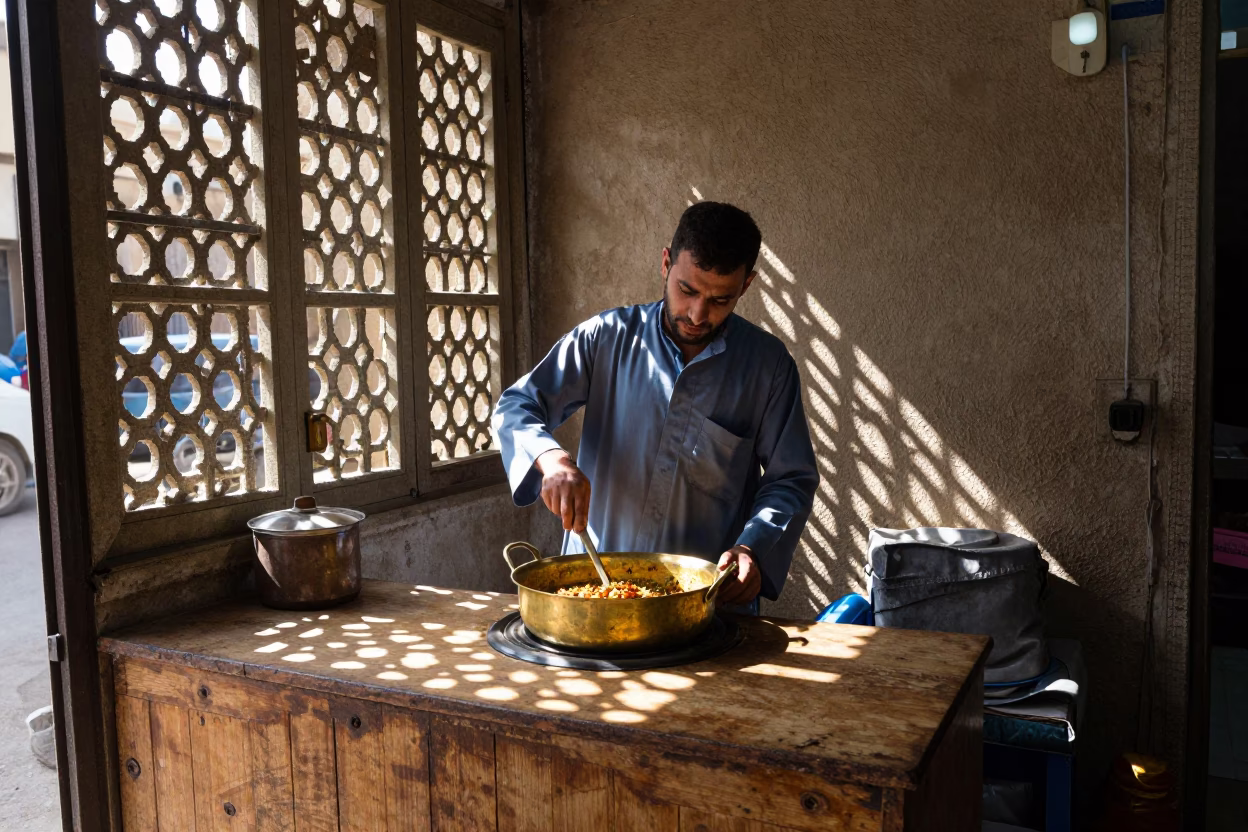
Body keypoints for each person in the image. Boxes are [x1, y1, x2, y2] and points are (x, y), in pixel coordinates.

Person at [492, 202, 819, 611]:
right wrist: (551, 459)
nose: (699, 314)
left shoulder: (768, 368)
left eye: (721, 299)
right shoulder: (605, 338)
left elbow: (790, 480)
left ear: (747, 285)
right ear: (666, 263)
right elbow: (516, 406)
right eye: (688, 290)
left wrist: (752, 547)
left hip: (707, 607)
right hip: (596, 596)